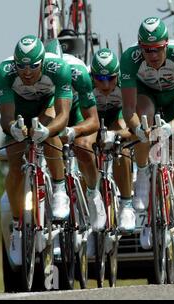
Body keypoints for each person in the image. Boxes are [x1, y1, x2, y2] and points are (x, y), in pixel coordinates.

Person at [120, 17, 174, 267]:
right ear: (140, 47)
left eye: (157, 49)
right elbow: (128, 108)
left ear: (166, 45)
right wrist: (138, 130)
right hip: (148, 99)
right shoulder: (130, 59)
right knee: (143, 117)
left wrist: (173, 127)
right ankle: (143, 175)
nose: (152, 55)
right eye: (147, 50)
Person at [0, 35, 72, 265]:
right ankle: (18, 228)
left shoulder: (59, 69)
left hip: (46, 107)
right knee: (16, 166)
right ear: (15, 63)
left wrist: (47, 133)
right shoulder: (4, 72)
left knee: (51, 132)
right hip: (19, 112)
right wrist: (12, 129)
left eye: (33, 66)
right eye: (22, 66)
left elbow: (63, 115)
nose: (27, 72)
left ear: (43, 62)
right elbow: (6, 117)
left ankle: (58, 189)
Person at [44, 39, 107, 233]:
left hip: (78, 108)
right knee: (46, 136)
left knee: (82, 146)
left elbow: (94, 120)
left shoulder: (78, 72)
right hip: (54, 106)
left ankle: (93, 192)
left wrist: (74, 131)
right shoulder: (38, 72)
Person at [91, 48, 136, 233]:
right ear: (91, 75)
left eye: (111, 78)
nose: (106, 84)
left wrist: (119, 135)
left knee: (122, 148)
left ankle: (126, 204)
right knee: (84, 147)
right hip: (94, 117)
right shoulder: (85, 84)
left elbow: (134, 123)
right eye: (100, 79)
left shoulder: (127, 83)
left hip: (118, 115)